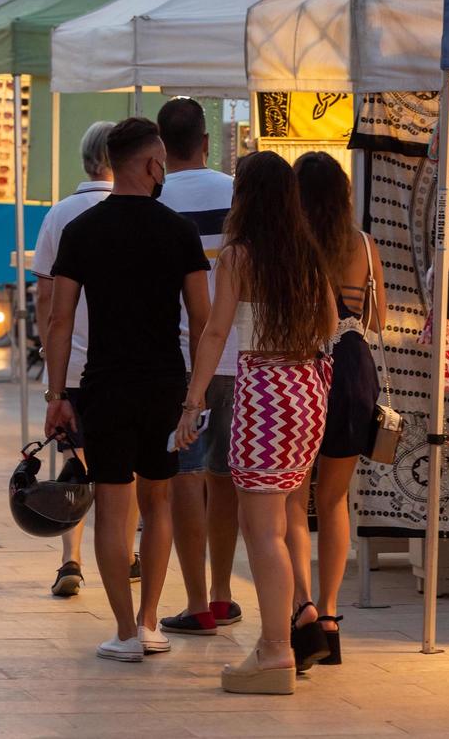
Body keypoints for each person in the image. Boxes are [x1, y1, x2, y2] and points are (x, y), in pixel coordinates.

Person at [43, 117, 211, 663]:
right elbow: (203, 317)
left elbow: (60, 322)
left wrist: (55, 396)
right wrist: (196, 394)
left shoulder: (81, 231)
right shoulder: (179, 231)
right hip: (165, 386)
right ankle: (149, 623)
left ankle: (120, 630)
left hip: (104, 387)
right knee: (157, 501)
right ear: (151, 164)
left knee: (113, 507)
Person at [179, 151, 336, 695]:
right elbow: (331, 326)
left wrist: (193, 402)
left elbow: (216, 333)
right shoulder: (308, 256)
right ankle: (286, 632)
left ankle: (274, 651)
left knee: (262, 529)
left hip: (265, 390)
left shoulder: (237, 256)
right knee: (282, 517)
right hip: (307, 391)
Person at [285, 151, 385, 666]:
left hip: (306, 369)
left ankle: (300, 608)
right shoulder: (363, 244)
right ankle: (329, 613)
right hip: (355, 371)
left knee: (294, 501)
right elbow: (380, 318)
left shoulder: (292, 246)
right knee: (335, 500)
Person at [30, 121, 132, 597]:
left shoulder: (60, 215)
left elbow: (47, 303)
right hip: (127, 364)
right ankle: (127, 553)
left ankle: (70, 558)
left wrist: (52, 376)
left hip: (71, 364)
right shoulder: (139, 212)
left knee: (74, 462)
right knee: (124, 465)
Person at [155, 98, 244, 635]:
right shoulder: (236, 193)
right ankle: (224, 592)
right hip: (236, 354)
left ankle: (195, 602)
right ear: (207, 142)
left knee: (185, 479)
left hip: (180, 361)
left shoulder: (155, 197)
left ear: (160, 148)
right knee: (226, 476)